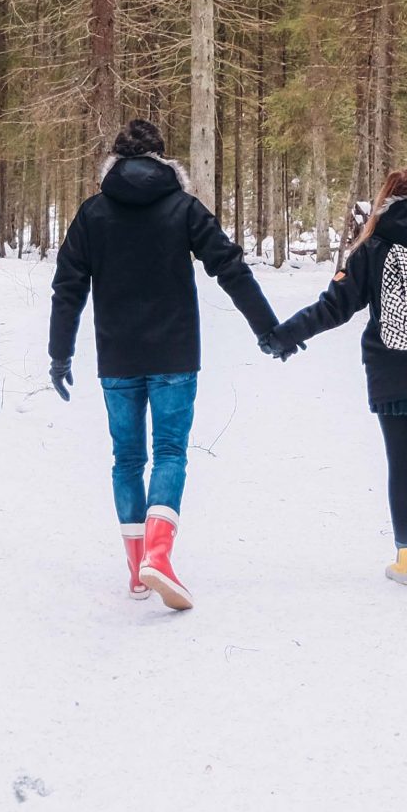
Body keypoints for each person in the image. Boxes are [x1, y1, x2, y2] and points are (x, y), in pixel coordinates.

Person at [50, 119, 283, 609]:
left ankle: (138, 570)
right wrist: (266, 327)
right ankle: (160, 552)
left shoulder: (93, 213)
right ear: (162, 159)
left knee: (128, 459)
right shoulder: (183, 208)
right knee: (171, 452)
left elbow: (68, 285)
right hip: (175, 353)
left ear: (114, 161)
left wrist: (60, 351)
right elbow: (230, 266)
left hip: (118, 356)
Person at [270, 168, 407, 601]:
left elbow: (335, 307)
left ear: (384, 201)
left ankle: (405, 560)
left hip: (391, 369)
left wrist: (284, 335)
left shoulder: (373, 248)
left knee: (401, 462)